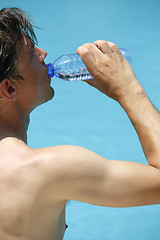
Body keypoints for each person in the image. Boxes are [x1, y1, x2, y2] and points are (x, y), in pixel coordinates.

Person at [0, 7, 159, 240]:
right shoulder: (46, 170)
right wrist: (127, 89)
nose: (43, 53)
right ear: (9, 88)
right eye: (32, 53)